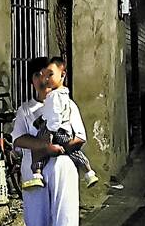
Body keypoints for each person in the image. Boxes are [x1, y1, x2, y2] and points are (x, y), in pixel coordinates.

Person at [11, 56, 86, 226]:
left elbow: (80, 137)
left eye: (47, 74)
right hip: (33, 173)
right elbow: (18, 139)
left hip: (63, 168)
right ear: (32, 80)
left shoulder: (68, 105)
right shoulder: (26, 110)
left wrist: (61, 147)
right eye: (38, 75)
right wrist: (44, 146)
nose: (44, 79)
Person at [22, 56, 98, 190]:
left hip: (56, 129)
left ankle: (37, 174)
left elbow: (54, 116)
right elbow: (50, 113)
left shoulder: (55, 96)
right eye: (44, 76)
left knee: (39, 146)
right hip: (62, 130)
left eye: (50, 75)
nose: (46, 79)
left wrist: (49, 130)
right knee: (71, 151)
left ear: (62, 75)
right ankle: (89, 172)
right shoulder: (63, 94)